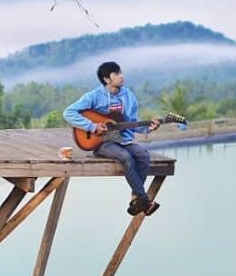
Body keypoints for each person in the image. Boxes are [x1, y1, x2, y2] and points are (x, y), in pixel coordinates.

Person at [64, 61, 162, 216]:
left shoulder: (129, 97)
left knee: (143, 154)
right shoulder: (94, 96)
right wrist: (92, 126)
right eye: (116, 74)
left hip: (124, 140)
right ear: (106, 79)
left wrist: (147, 128)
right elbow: (68, 113)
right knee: (126, 157)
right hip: (101, 142)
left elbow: (131, 123)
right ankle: (144, 199)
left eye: (121, 72)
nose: (121, 76)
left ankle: (136, 199)